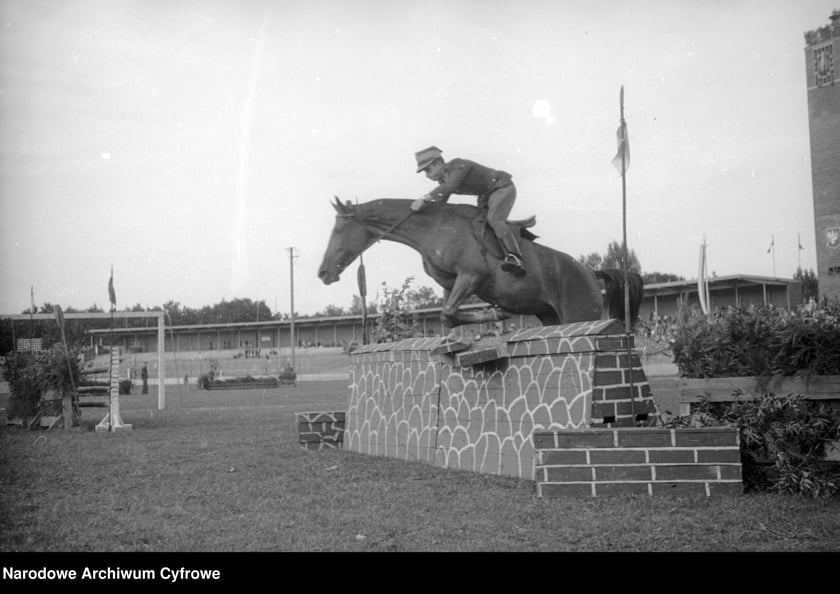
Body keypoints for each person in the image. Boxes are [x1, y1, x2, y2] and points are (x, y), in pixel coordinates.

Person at [411, 146, 526, 277]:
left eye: (428, 170)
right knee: (477, 223)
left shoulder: (458, 165)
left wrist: (424, 198)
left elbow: (451, 186)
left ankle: (516, 257)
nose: (427, 176)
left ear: (438, 163)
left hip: (501, 188)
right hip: (485, 196)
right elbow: (441, 201)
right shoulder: (442, 180)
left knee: (494, 220)